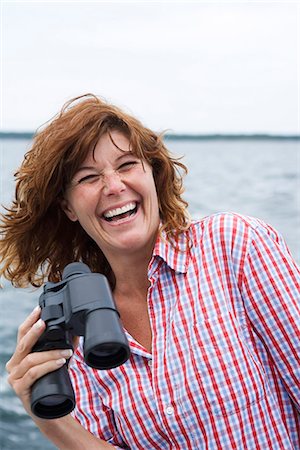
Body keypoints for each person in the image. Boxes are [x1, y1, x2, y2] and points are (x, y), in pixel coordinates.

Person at [1, 93, 299, 450]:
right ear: (68, 207)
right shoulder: (78, 336)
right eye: (88, 177)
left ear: (153, 175)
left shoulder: (233, 244)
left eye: (127, 165)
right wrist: (50, 420)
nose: (113, 186)